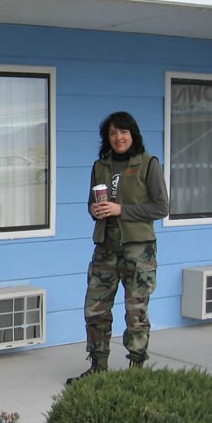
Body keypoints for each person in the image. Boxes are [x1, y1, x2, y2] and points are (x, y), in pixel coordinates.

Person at [67, 111, 169, 385]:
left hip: (138, 250)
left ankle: (137, 370)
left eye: (123, 132)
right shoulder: (100, 166)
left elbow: (161, 207)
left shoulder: (148, 163)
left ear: (133, 134)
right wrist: (95, 210)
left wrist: (121, 209)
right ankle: (98, 367)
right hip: (105, 247)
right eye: (113, 133)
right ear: (107, 138)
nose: (118, 137)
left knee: (136, 313)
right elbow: (93, 204)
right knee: (95, 309)